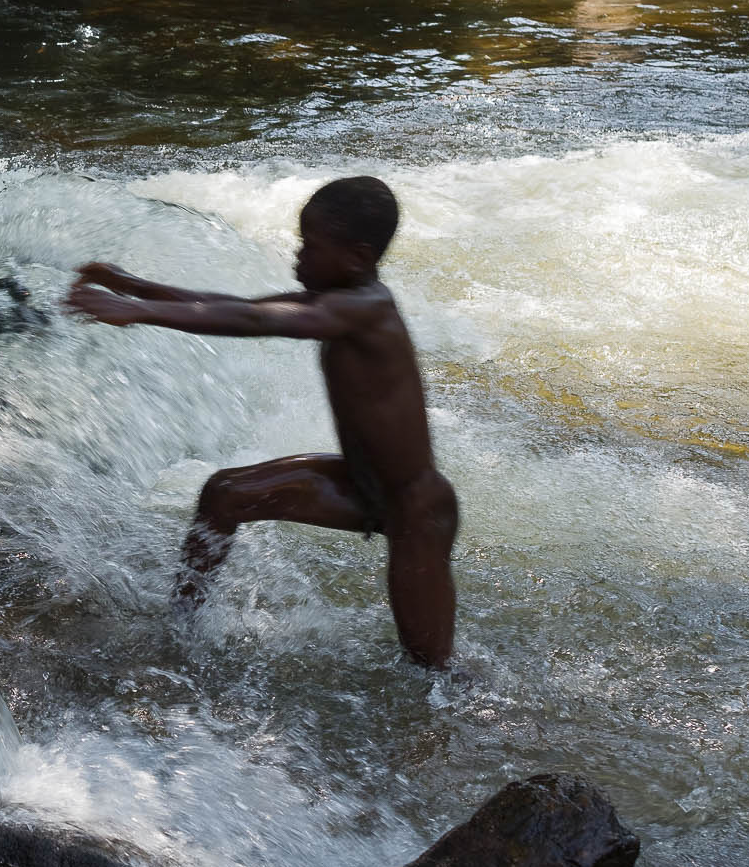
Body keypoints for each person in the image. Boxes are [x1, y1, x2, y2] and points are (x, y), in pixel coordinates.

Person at [65, 176, 459, 668]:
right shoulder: (336, 300)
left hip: (416, 511)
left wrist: (138, 311)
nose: (299, 257)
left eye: (310, 246)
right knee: (224, 493)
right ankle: (183, 631)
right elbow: (239, 307)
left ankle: (451, 725)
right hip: (361, 486)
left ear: (357, 256)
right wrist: (135, 286)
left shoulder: (366, 310)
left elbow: (258, 323)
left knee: (429, 668)